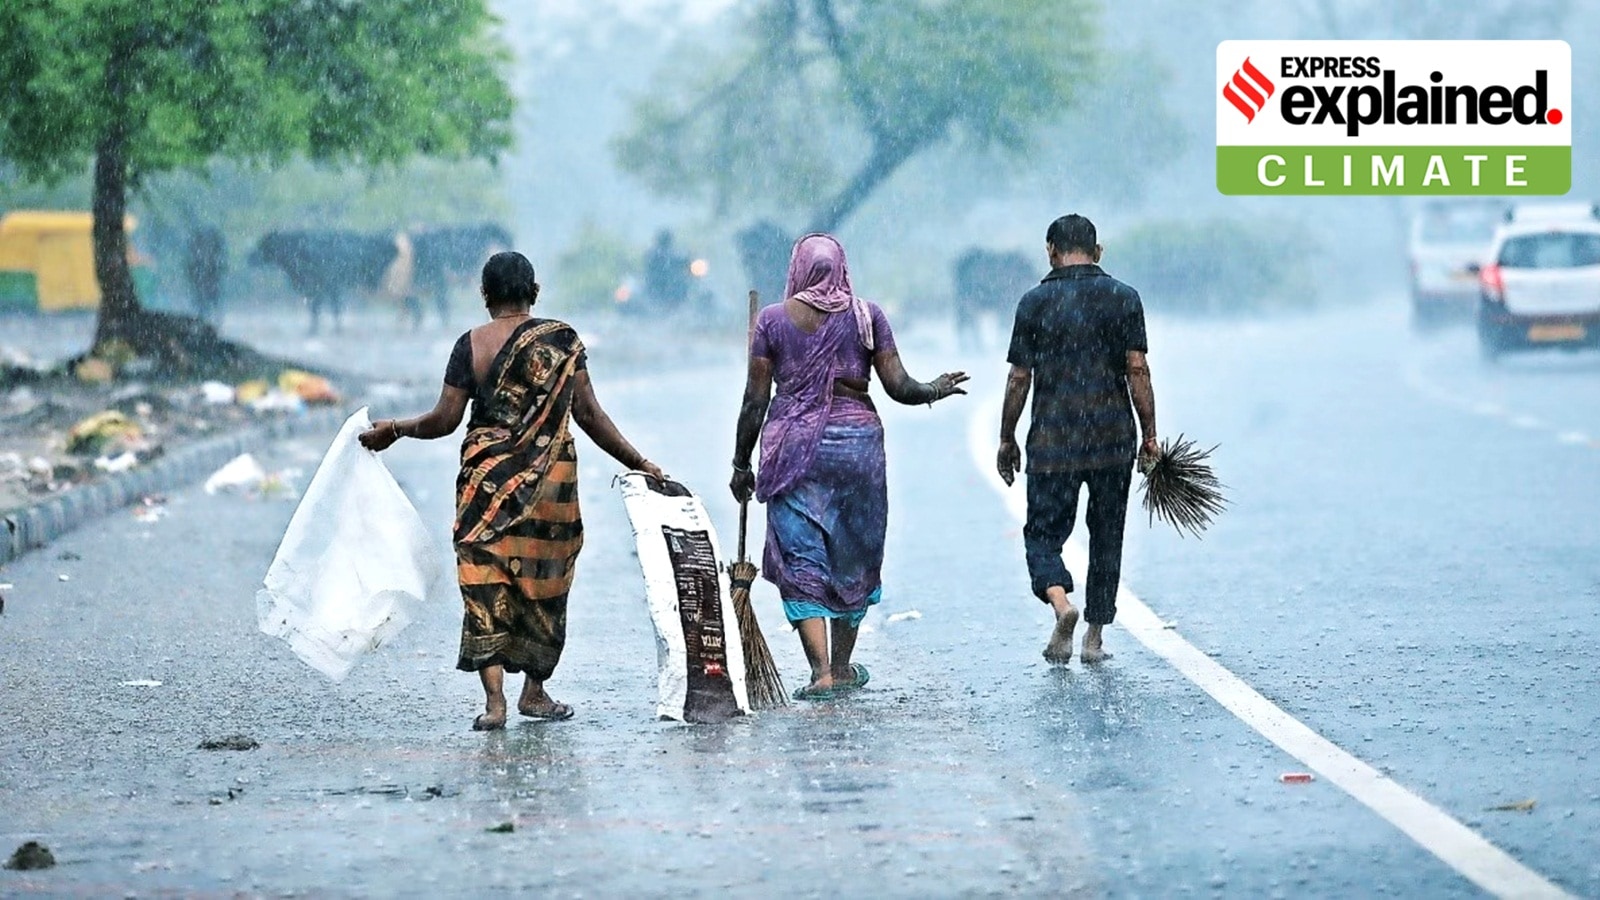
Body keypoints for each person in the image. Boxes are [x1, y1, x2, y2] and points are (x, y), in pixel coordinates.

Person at [359, 251, 665, 730]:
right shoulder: (562, 341)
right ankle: (535, 692)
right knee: (543, 580)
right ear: (535, 292)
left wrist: (394, 428)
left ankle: (495, 702)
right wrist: (641, 462)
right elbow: (589, 415)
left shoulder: (471, 345)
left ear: (485, 296)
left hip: (486, 484)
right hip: (550, 486)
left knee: (486, 582)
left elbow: (444, 420)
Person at [730, 233, 968, 700]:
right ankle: (841, 666)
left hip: (794, 448)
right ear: (842, 267)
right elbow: (899, 385)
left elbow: (755, 399)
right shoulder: (866, 315)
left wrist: (741, 462)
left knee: (801, 554)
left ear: (797, 269)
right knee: (852, 553)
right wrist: (934, 388)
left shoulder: (772, 321)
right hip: (858, 447)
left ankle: (819, 671)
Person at [997, 214, 1158, 665]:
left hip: (1053, 442)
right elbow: (1137, 370)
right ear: (1098, 251)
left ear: (1050, 250)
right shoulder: (1125, 298)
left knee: (1043, 534)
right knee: (1107, 534)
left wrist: (1007, 437)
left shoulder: (1034, 303)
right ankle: (1094, 638)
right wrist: (1150, 436)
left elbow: (1018, 378)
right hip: (1112, 439)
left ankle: (1061, 604)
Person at [185, 226, 226, 324]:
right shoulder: (197, 262)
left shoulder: (214, 262)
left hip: (208, 281)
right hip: (203, 282)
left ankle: (210, 322)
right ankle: (205, 322)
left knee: (209, 302)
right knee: (203, 303)